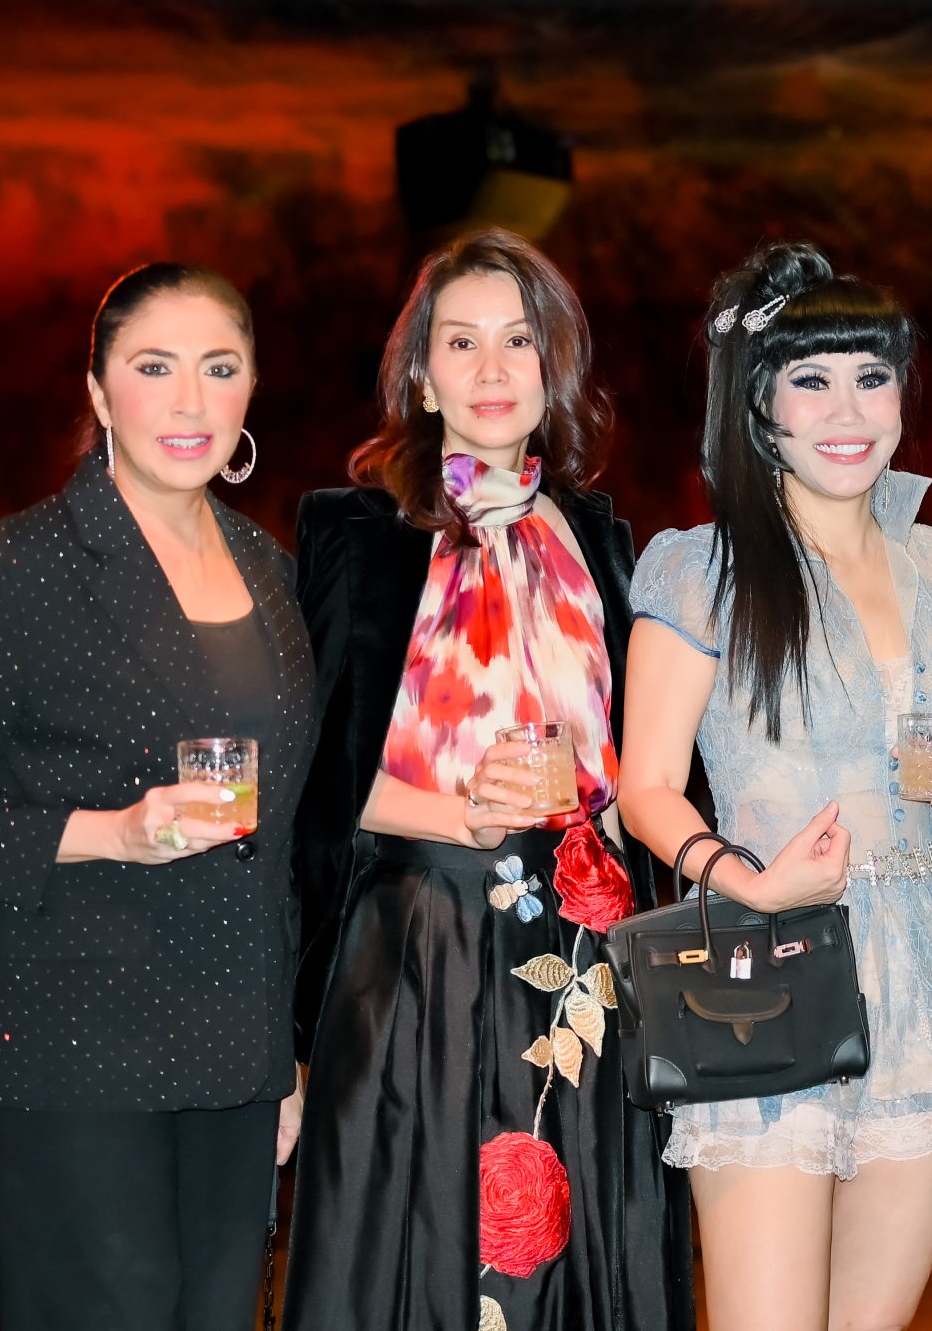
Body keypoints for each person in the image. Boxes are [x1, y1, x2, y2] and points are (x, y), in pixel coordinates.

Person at [0, 263, 311, 1331]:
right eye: (154, 367)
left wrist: (284, 1050)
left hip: (236, 1050)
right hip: (84, 1043)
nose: (190, 399)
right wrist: (110, 832)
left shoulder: (269, 568)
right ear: (98, 389)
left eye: (219, 368)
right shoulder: (17, 566)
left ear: (252, 387)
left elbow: (286, 843)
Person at [616, 242, 932, 1331]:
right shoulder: (703, 569)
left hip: (921, 964)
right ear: (760, 406)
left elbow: (927, 756)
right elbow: (644, 786)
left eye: (871, 375)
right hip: (768, 959)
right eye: (811, 379)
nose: (847, 410)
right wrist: (746, 881)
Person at [282, 230, 691, 1331]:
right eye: (462, 342)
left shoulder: (600, 534)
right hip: (428, 941)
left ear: (555, 364)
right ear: (422, 375)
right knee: (423, 1252)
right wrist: (462, 811)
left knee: (583, 1255)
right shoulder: (356, 531)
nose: (493, 367)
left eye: (519, 340)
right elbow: (320, 775)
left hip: (592, 944)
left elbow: (643, 758)